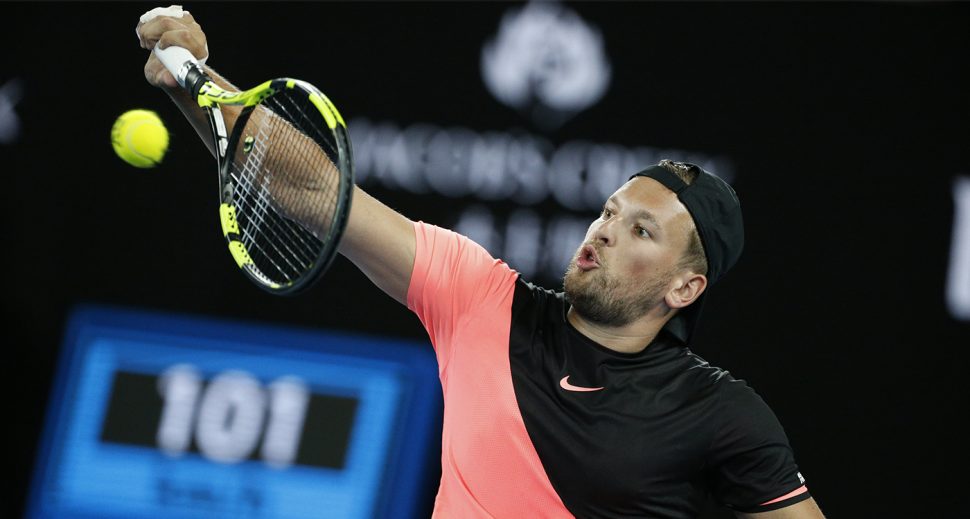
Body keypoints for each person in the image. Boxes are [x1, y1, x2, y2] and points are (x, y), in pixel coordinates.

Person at [137, 8, 826, 519]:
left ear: (686, 285)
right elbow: (315, 189)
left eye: (641, 229)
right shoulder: (479, 297)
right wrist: (196, 82)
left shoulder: (721, 414)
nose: (606, 230)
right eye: (611, 211)